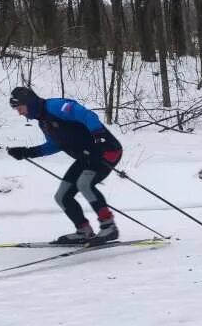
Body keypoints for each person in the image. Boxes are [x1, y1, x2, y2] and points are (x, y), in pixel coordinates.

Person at [7, 87, 124, 245]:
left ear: (30, 103)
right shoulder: (44, 122)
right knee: (62, 196)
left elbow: (85, 114)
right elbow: (54, 145)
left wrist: (99, 134)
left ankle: (109, 226)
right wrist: (27, 152)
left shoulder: (55, 106)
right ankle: (84, 231)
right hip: (86, 157)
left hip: (106, 150)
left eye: (20, 108)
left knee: (85, 184)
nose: (20, 113)